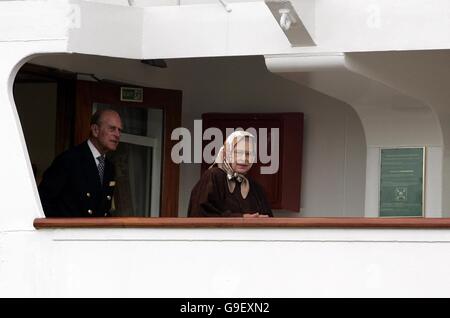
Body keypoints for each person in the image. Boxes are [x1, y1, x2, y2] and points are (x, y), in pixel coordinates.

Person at [38, 109, 122, 217]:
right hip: (70, 232)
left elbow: (103, 209)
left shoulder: (109, 167)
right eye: (112, 129)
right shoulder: (69, 160)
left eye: (120, 130)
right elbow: (43, 200)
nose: (117, 134)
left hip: (94, 232)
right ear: (95, 130)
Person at [188, 131, 273, 217]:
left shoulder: (256, 188)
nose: (244, 159)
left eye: (249, 154)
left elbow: (270, 221)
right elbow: (199, 215)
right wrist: (241, 218)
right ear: (226, 153)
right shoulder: (213, 176)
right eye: (238, 153)